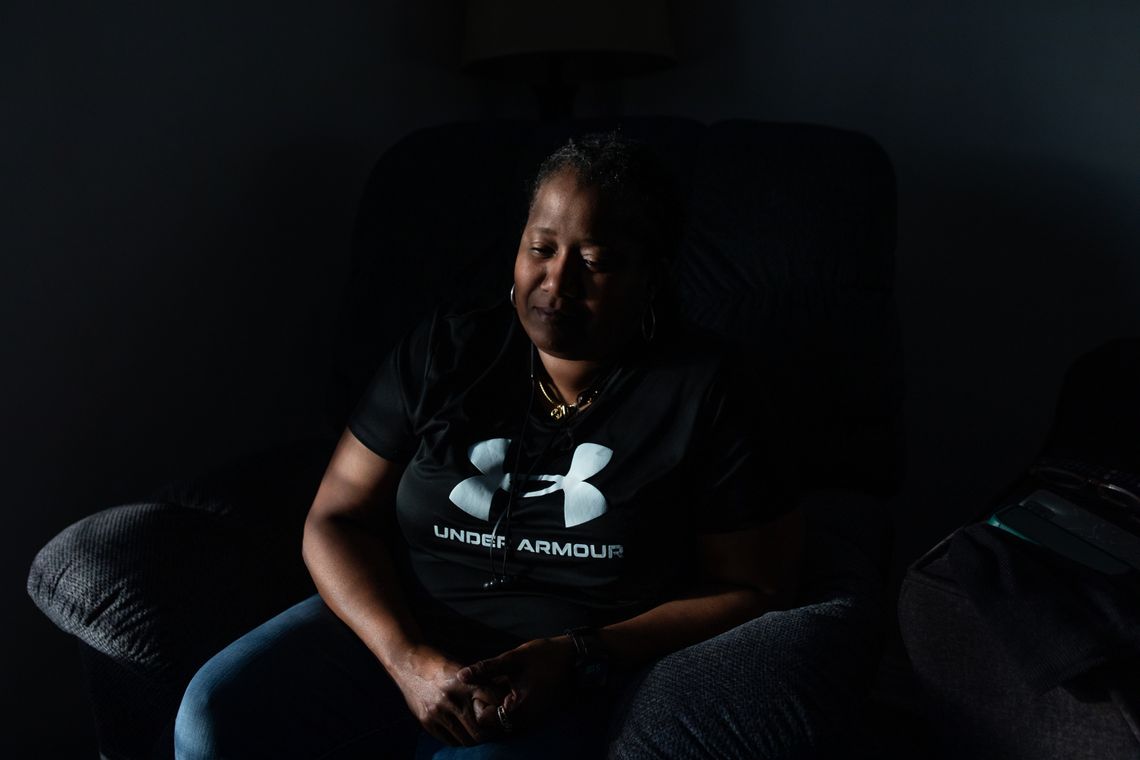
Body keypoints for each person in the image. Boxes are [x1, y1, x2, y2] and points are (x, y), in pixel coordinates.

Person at [174, 132, 804, 759]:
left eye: (596, 261)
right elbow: (336, 515)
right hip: (404, 624)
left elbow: (752, 586)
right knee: (215, 712)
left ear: (653, 275)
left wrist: (580, 653)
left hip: (560, 669)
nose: (556, 284)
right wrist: (406, 658)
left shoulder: (709, 391)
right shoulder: (446, 350)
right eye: (541, 249)